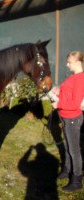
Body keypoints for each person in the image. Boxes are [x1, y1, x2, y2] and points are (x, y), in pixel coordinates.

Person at [50, 51, 84, 192]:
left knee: (74, 150)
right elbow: (69, 94)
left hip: (72, 119)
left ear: (77, 62)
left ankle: (77, 180)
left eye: (69, 62)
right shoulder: (74, 77)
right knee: (67, 146)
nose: (67, 64)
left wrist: (58, 104)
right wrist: (59, 91)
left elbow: (75, 104)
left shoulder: (80, 79)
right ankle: (67, 170)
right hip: (66, 117)